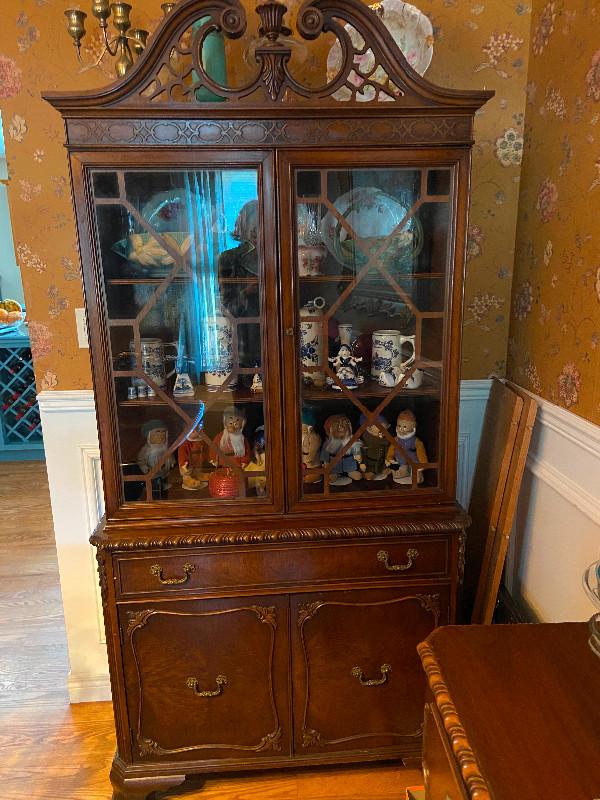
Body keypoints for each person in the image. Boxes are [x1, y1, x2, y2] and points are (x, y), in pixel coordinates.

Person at [385, 409, 427, 484]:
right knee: (400, 473)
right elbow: (391, 449)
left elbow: (421, 452)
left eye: (404, 427)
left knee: (416, 477)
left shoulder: (416, 441)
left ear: (413, 427)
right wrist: (389, 458)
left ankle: (416, 474)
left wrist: (423, 463)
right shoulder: (396, 439)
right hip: (401, 461)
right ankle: (401, 471)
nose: (401, 429)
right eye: (399, 426)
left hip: (413, 461)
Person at [320, 414, 362, 485]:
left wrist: (358, 455)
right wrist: (325, 461)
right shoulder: (328, 443)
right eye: (337, 426)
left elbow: (356, 448)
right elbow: (325, 452)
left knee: (354, 473)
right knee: (334, 471)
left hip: (349, 463)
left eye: (345, 425)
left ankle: (351, 472)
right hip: (335, 464)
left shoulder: (351, 440)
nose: (342, 428)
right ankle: (336, 474)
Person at [136, 419, 175, 493]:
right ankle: (154, 488)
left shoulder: (166, 448)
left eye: (163, 432)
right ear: (149, 435)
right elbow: (141, 461)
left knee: (163, 481)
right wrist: (144, 467)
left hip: (164, 471)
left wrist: (172, 461)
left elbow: (170, 455)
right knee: (154, 483)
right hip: (152, 472)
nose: (161, 435)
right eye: (158, 432)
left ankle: (162, 487)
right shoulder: (145, 450)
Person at [359, 413, 391, 480]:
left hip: (380, 462)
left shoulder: (386, 441)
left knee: (383, 468)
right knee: (369, 472)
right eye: (379, 432)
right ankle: (367, 473)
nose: (381, 436)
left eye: (384, 432)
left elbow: (387, 450)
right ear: (368, 429)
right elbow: (363, 452)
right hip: (369, 463)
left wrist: (387, 459)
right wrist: (362, 463)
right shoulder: (366, 440)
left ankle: (382, 470)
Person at [178, 420, 208, 491]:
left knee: (197, 469)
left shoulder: (201, 441)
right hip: (188, 462)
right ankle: (187, 480)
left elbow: (206, 449)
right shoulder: (185, 443)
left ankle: (198, 475)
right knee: (187, 472)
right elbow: (182, 453)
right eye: (192, 432)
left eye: (199, 431)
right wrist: (183, 462)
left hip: (197, 460)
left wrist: (209, 458)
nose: (196, 434)